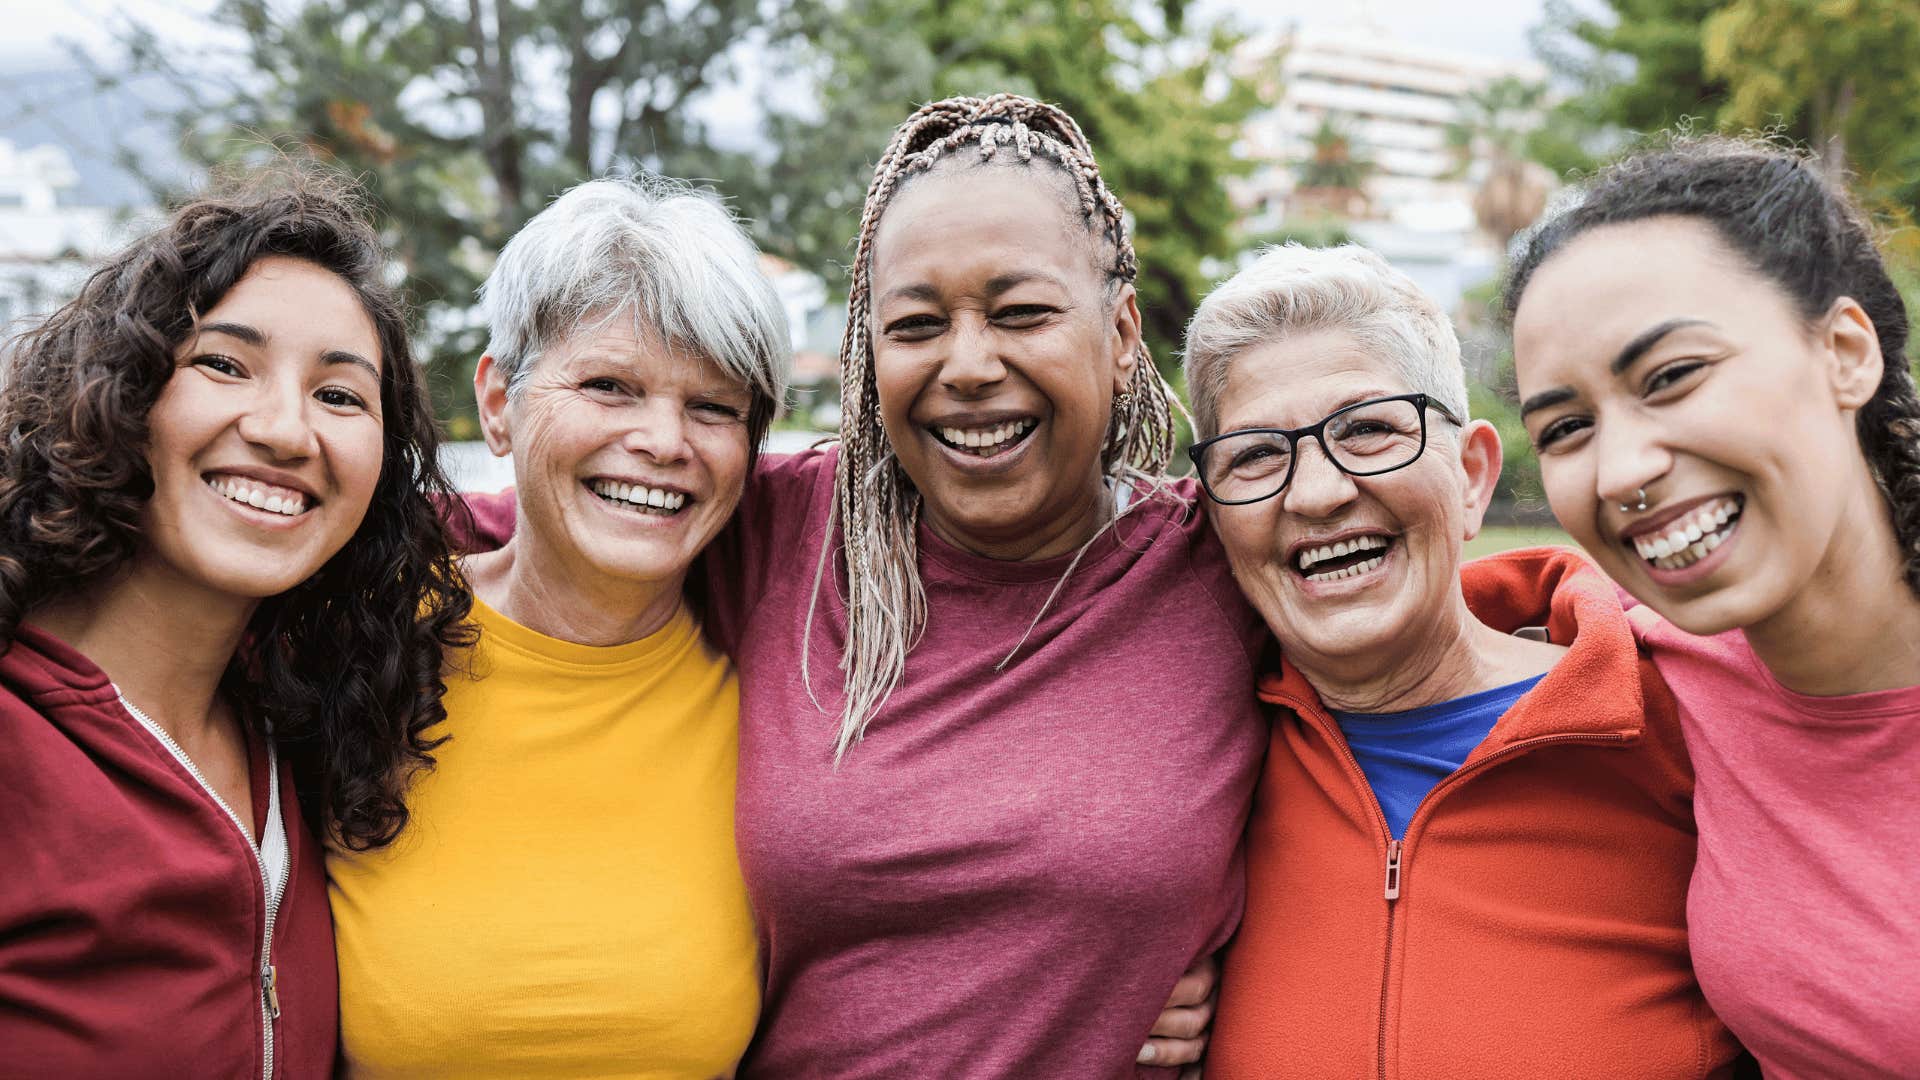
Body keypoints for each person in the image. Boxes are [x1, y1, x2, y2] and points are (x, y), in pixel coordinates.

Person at [460, 95, 1258, 1077]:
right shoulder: (776, 528)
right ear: (867, 349)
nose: (969, 364)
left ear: (1123, 328)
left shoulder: (1220, 563)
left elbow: (1400, 687)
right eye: (917, 323)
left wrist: (1249, 972)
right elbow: (527, 525)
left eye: (1022, 313)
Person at [1184, 245, 1740, 1077]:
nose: (1317, 492)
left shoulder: (1690, 722)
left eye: (1368, 429)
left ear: (1474, 476)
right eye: (1255, 455)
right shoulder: (1193, 775)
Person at [0, 167, 470, 1078]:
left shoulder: (303, 729)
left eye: (341, 395)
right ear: (119, 392)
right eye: (224, 363)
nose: (288, 432)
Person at [326, 177, 789, 1078]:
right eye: (610, 385)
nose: (664, 440)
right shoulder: (355, 641)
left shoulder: (781, 696)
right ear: (498, 403)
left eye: (713, 406)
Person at [1505, 136, 1920, 1080]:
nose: (1621, 472)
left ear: (1845, 353)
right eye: (1567, 429)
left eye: (1672, 377)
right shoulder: (1647, 664)